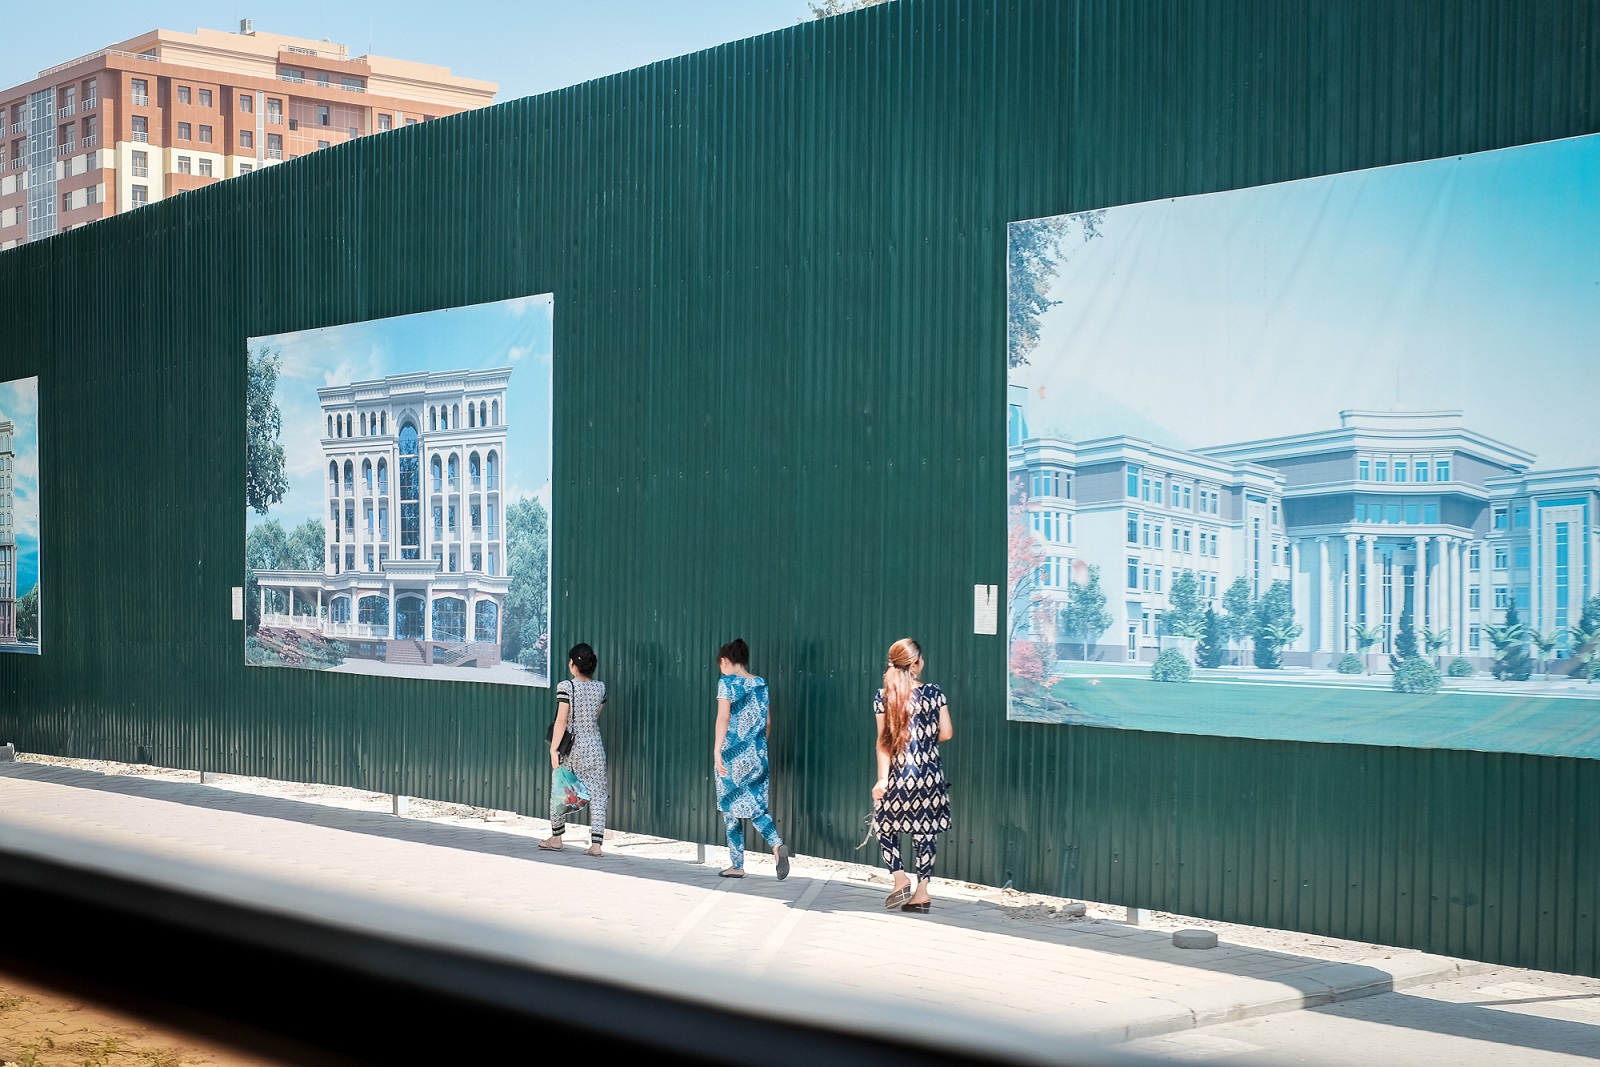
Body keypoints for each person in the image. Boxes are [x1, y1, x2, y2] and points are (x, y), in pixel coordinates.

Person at [872, 638, 952, 913]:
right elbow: (947, 732)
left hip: (898, 773)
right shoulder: (934, 692)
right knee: (925, 830)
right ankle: (922, 892)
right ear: (916, 663)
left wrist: (882, 780)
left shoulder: (885, 696)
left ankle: (899, 877)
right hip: (929, 774)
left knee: (884, 824)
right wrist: (926, 742)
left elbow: (883, 742)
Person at [713, 638, 790, 880]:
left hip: (732, 755)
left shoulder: (726, 683)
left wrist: (717, 750)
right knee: (756, 806)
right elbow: (767, 722)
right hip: (758, 753)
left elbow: (723, 718)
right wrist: (758, 747)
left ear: (725, 661)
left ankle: (737, 864)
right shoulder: (760, 683)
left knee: (730, 809)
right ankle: (776, 845)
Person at [540, 643, 608, 857]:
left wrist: (553, 750)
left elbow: (561, 721)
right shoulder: (600, 687)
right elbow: (596, 715)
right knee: (598, 793)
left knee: (560, 788)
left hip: (572, 747)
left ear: (572, 664)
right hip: (594, 744)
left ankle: (557, 837)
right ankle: (596, 845)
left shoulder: (566, 687)